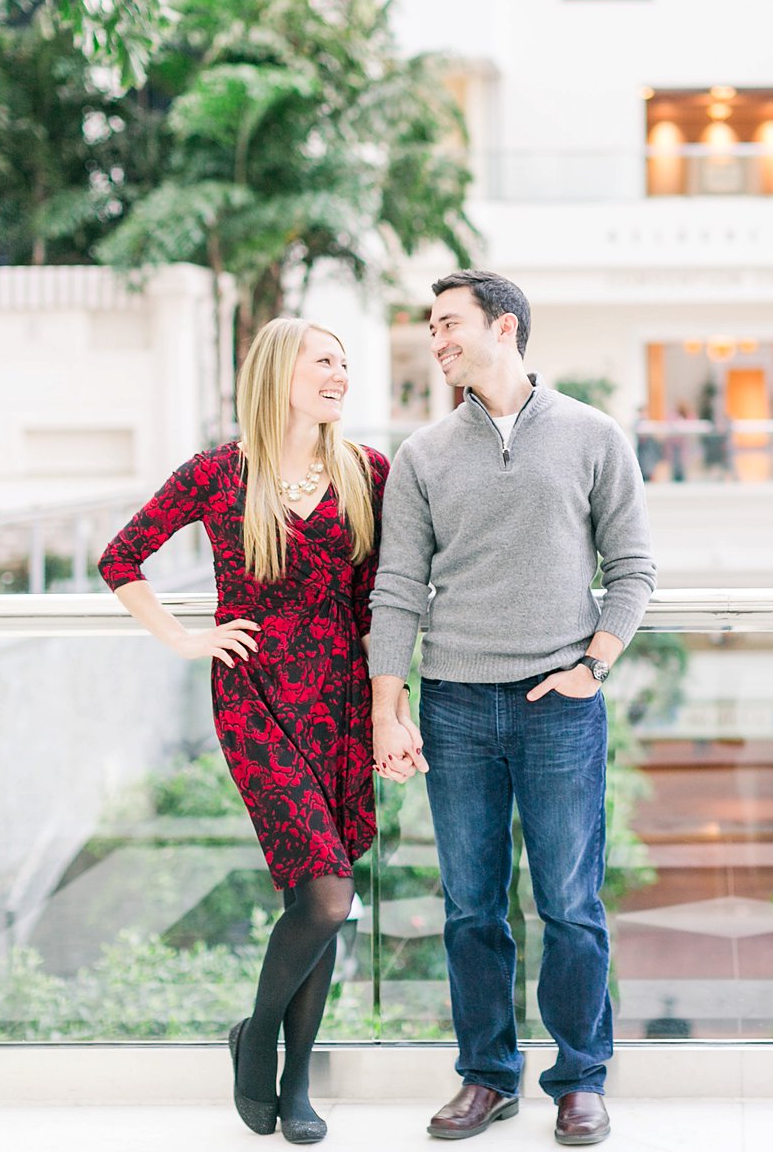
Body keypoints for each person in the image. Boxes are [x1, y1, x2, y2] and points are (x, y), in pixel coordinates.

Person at [368, 270, 656, 1147]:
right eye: (431, 327)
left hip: (558, 706)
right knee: (470, 906)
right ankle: (488, 1077)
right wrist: (391, 707)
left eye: (450, 323)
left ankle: (579, 1080)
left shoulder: (592, 434)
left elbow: (633, 568)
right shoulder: (421, 455)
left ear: (506, 326)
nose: (438, 339)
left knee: (569, 901)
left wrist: (594, 667)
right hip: (454, 704)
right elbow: (396, 588)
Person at [99, 318, 401, 1146]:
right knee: (328, 892)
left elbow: (382, 607)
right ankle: (257, 1042)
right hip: (256, 699)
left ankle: (293, 1079)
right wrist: (186, 636)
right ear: (280, 372)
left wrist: (389, 710)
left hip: (339, 701)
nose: (342, 374)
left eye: (346, 362)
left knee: (318, 898)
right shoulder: (216, 473)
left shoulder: (368, 471)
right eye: (326, 361)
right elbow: (120, 558)